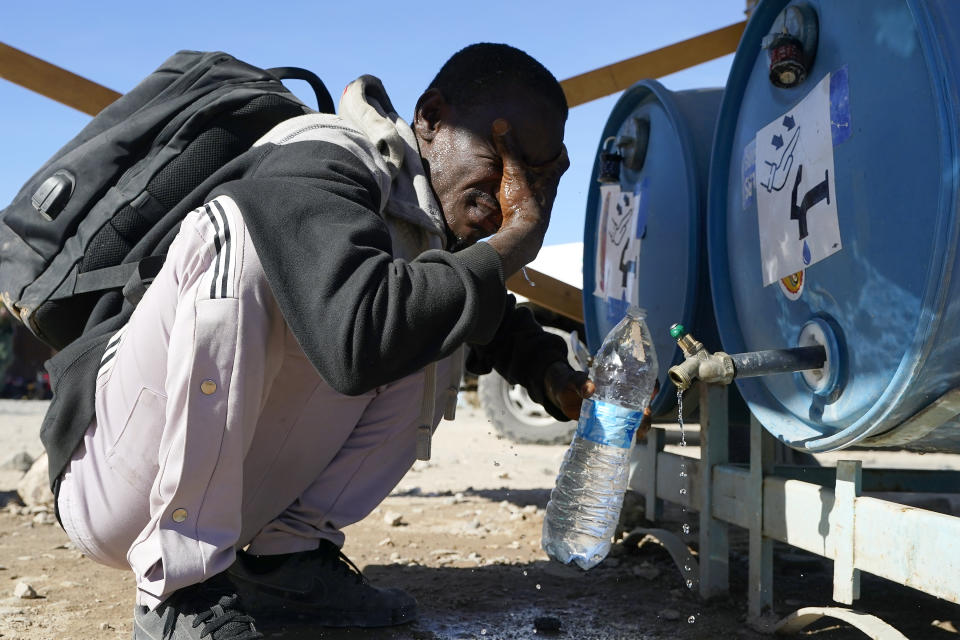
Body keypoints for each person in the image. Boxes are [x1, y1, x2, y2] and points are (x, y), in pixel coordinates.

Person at [52, 43, 594, 639]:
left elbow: (474, 312)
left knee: (444, 297)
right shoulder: (322, 155)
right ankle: (178, 593)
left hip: (233, 505)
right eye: (501, 156)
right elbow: (355, 338)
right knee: (241, 238)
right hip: (110, 480)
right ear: (432, 118)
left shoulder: (430, 222)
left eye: (538, 177)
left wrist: (554, 376)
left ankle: (287, 565)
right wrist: (513, 244)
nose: (515, 194)